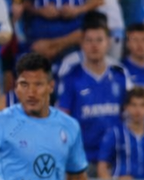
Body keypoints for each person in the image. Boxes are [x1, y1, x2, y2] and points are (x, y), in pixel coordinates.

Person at [57, 17, 133, 163]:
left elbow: (131, 113)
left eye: (99, 40)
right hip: (82, 157)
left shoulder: (120, 75)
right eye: (89, 40)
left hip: (115, 157)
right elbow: (63, 118)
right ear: (82, 44)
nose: (94, 46)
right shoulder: (72, 77)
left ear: (108, 42)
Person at [96, 87, 144, 180]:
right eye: (134, 105)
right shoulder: (115, 133)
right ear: (126, 107)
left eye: (143, 105)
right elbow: (102, 167)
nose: (138, 110)